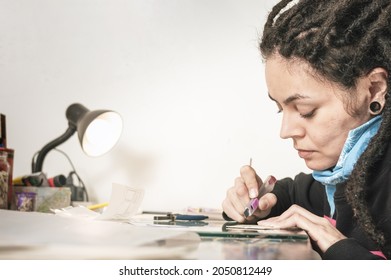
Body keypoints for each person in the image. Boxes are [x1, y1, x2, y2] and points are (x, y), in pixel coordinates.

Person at [222, 0, 391, 260]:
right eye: (281, 109)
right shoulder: (342, 177)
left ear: (373, 89)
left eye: (305, 110)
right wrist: (259, 204)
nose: (286, 131)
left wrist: (338, 246)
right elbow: (293, 192)